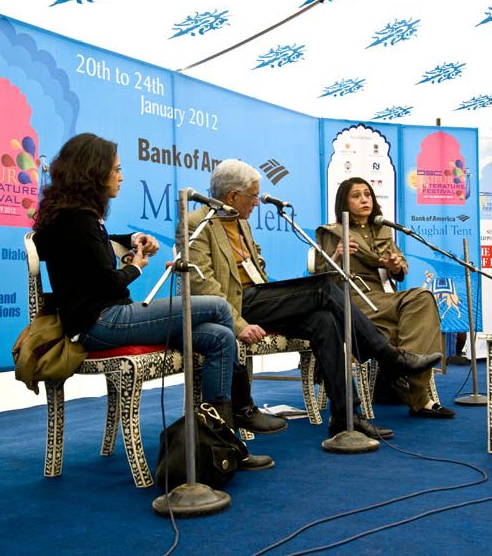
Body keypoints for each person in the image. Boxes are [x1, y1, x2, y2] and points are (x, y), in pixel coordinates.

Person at [31, 133, 276, 471]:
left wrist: (130, 239)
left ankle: (221, 443)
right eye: (116, 170)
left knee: (220, 338)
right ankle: (245, 408)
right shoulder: (76, 219)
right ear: (94, 172)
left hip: (109, 318)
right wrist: (134, 266)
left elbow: (95, 247)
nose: (121, 176)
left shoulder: (78, 216)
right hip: (101, 323)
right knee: (218, 308)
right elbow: (105, 280)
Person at [187, 159, 442, 440]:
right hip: (235, 306)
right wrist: (236, 324)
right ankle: (389, 356)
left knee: (324, 321)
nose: (257, 203)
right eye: (253, 196)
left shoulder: (242, 225)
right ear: (232, 196)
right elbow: (203, 284)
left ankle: (346, 417)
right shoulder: (196, 224)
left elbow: (257, 271)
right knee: (322, 288)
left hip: (260, 297)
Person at [315, 177, 455, 419]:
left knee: (422, 298)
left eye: (367, 194)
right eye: (356, 195)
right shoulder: (334, 232)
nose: (364, 200)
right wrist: (337, 255)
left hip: (383, 298)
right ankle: (419, 398)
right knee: (417, 310)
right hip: (353, 300)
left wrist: (394, 265)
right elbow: (319, 277)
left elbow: (400, 270)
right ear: (344, 202)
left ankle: (399, 368)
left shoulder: (382, 230)